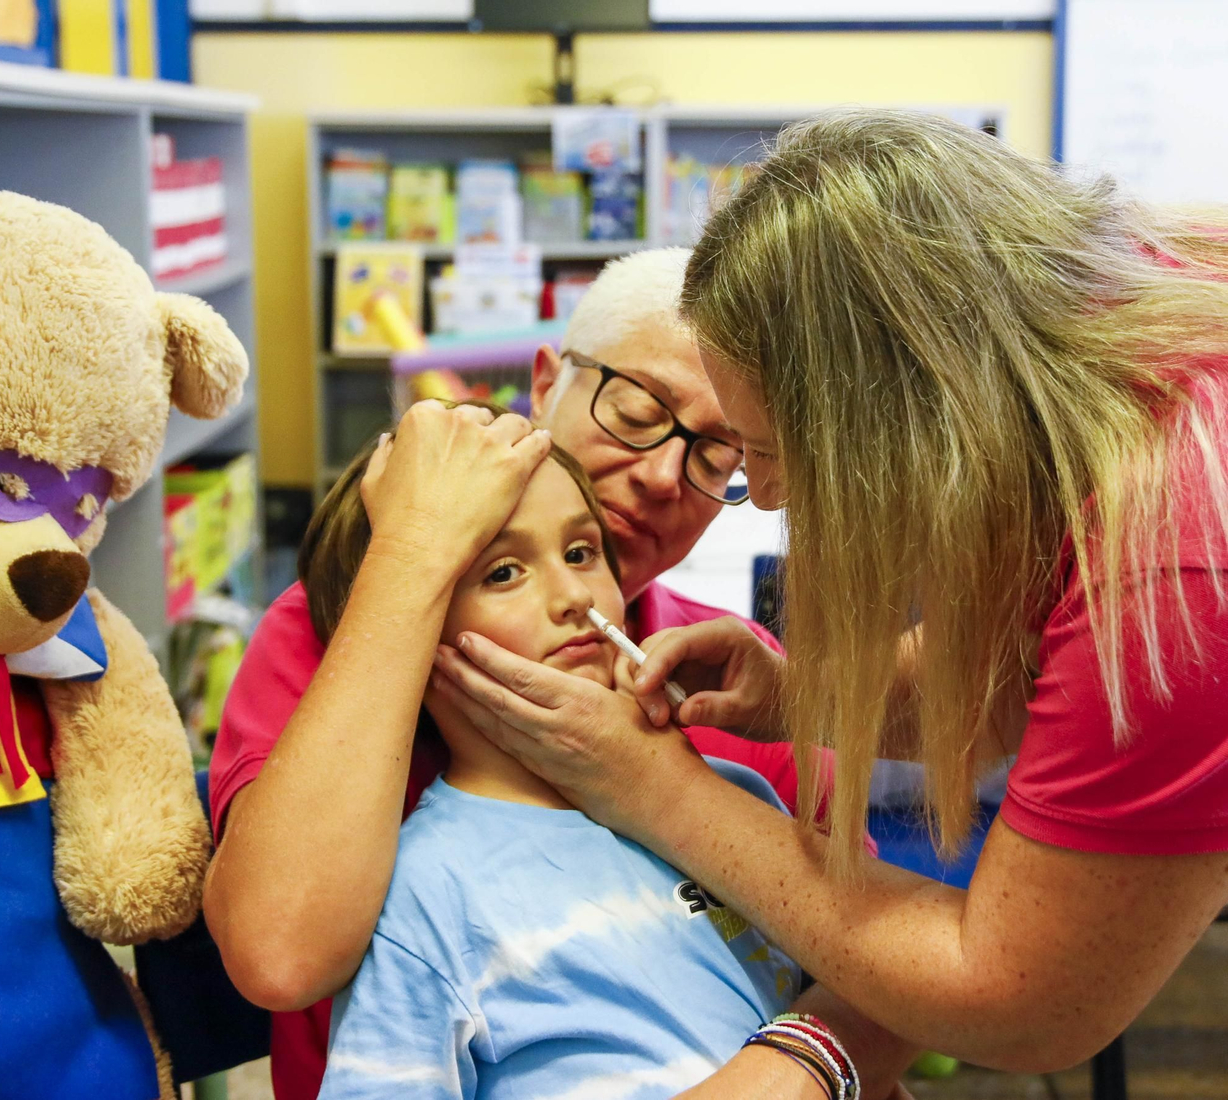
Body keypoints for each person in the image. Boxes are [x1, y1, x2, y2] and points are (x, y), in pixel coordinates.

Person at [431, 109, 1228, 1073]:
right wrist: (801, 696)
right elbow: (1044, 652)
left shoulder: (1180, 548)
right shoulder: (1083, 323)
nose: (762, 494)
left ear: (906, 414)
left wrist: (656, 790)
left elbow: (1024, 999)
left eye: (766, 452)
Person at [202, 251, 907, 1098]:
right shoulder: (350, 628)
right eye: (637, 413)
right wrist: (414, 564)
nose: (658, 476)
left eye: (719, 455)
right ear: (545, 382)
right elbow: (279, 952)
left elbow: (888, 964)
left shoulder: (743, 688)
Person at [305, 432, 826, 1099]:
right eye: (503, 573)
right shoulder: (425, 899)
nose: (573, 596)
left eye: (581, 553)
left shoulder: (735, 797)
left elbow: (853, 1026)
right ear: (408, 637)